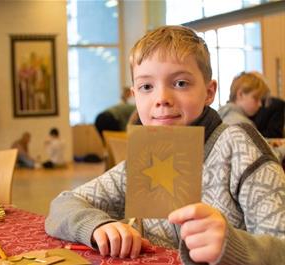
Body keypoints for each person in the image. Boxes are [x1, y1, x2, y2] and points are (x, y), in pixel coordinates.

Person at [45, 26, 285, 265]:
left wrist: (234, 246)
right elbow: (63, 205)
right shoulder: (147, 156)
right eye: (146, 87)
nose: (161, 99)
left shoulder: (240, 147)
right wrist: (99, 225)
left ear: (209, 92)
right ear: (134, 95)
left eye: (180, 83)